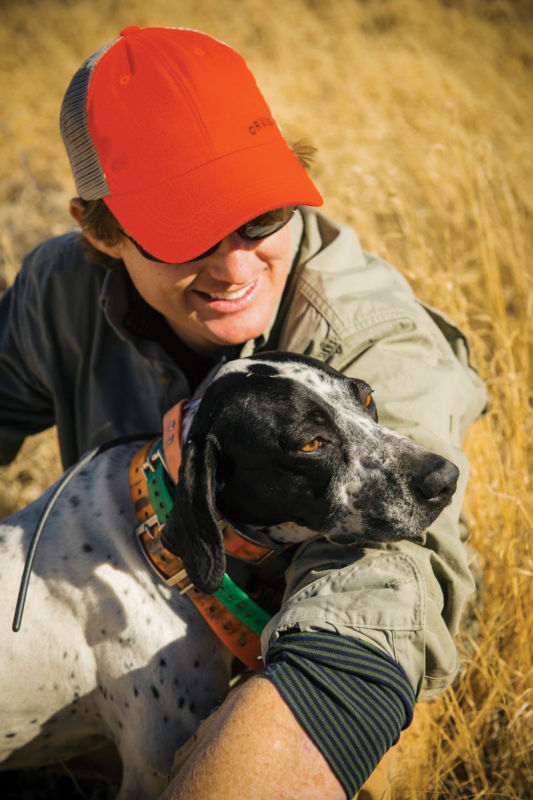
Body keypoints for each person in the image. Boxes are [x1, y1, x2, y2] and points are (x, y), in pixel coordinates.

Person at [0, 25, 487, 800]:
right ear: (101, 230)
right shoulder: (59, 288)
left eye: (258, 215)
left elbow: (381, 598)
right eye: (182, 230)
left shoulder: (366, 338)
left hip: (278, 675)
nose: (233, 266)